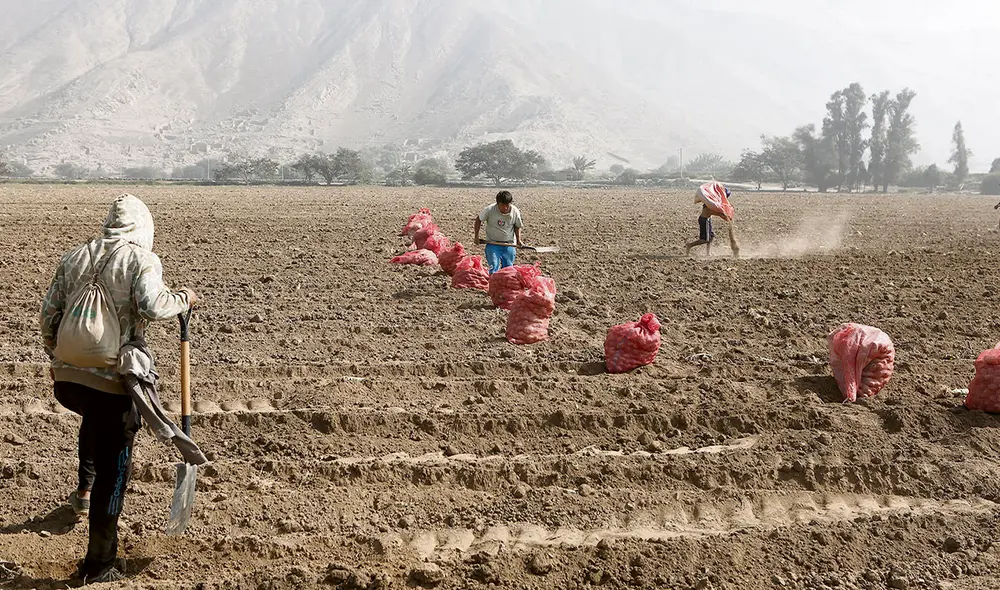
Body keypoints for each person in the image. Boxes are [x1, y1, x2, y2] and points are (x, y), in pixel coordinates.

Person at [39, 193, 197, 584]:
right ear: (143, 227)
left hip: (70, 381)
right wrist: (184, 299)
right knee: (116, 469)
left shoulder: (75, 257)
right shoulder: (141, 259)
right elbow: (154, 305)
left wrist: (59, 360)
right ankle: (99, 564)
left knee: (95, 421)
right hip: (113, 383)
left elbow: (48, 316)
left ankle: (83, 490)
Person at [474, 190, 524, 274]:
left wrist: (519, 240)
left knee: (508, 270)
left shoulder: (515, 211)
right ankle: (493, 281)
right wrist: (476, 236)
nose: (505, 208)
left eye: (507, 205)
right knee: (493, 267)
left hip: (509, 244)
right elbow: (478, 220)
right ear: (497, 204)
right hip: (492, 244)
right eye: (502, 205)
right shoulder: (490, 210)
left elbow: (517, 226)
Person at [685, 184, 732, 257]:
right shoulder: (710, 206)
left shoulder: (711, 203)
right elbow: (719, 214)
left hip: (707, 220)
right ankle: (689, 245)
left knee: (711, 236)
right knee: (705, 239)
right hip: (704, 220)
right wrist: (727, 218)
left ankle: (708, 253)